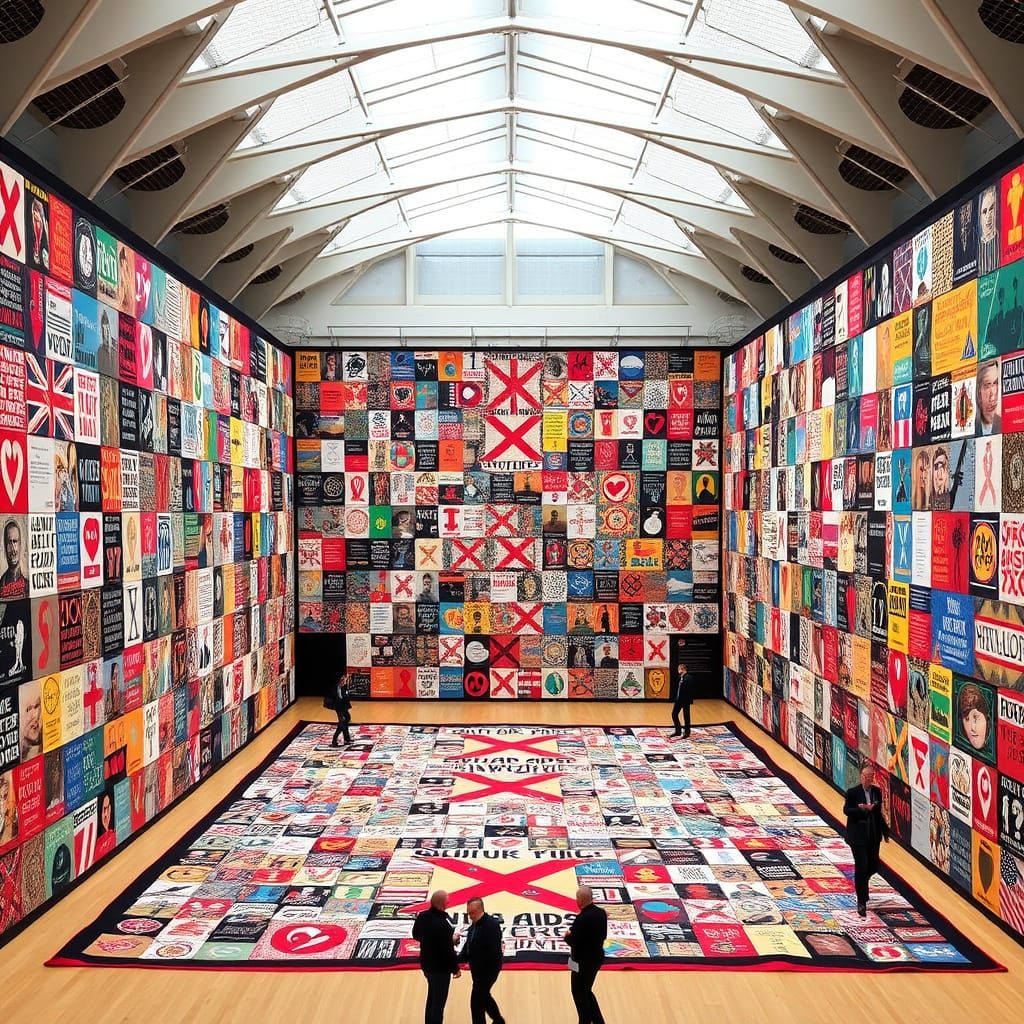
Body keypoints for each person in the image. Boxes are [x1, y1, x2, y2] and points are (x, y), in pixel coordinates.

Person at [843, 762, 889, 917]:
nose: (868, 779)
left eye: (871, 776)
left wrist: (885, 831)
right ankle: (861, 901)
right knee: (861, 866)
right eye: (866, 776)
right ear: (861, 776)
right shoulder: (852, 792)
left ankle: (861, 882)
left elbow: (878, 813)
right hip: (857, 836)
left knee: (874, 866)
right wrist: (861, 810)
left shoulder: (877, 792)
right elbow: (847, 810)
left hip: (873, 835)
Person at [413, 890, 461, 1024]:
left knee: (432, 996)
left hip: (426, 964)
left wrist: (436, 940)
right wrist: (455, 968)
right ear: (441, 905)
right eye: (447, 901)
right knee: (438, 1003)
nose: (449, 902)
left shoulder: (422, 916)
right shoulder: (443, 926)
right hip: (440, 969)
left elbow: (416, 935)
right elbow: (448, 952)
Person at [456, 897, 505, 1024]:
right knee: (484, 997)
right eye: (468, 913)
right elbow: (468, 948)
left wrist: (483, 971)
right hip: (477, 972)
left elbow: (493, 953)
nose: (469, 916)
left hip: (487, 972)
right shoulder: (473, 926)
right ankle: (498, 1020)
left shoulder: (491, 926)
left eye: (471, 913)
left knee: (476, 1004)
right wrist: (455, 960)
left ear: (479, 910)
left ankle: (497, 1020)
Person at [564, 886, 607, 1024]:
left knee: (578, 993)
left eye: (577, 897)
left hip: (580, 963)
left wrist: (567, 936)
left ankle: (584, 1021)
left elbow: (574, 942)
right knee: (587, 990)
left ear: (580, 900)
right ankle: (598, 1021)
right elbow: (603, 935)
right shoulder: (601, 913)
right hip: (597, 959)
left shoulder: (581, 920)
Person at [0, 519, 27, 598]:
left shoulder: (27, 584)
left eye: (15, 542)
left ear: (20, 544)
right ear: (5, 546)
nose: (13, 550)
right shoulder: (2, 583)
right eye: (9, 542)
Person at [977, 359, 1001, 435]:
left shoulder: (1003, 423)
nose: (993, 396)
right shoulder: (972, 427)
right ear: (978, 391)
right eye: (987, 386)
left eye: (995, 383)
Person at [671, 661, 694, 738]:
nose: (678, 670)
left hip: (685, 700)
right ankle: (678, 731)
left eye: (679, 669)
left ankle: (687, 732)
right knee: (674, 714)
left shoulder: (688, 678)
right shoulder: (681, 677)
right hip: (679, 699)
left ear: (683, 669)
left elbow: (689, 690)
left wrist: (688, 700)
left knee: (686, 716)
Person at [332, 674, 352, 747]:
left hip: (343, 706)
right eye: (343, 680)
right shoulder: (335, 688)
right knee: (342, 723)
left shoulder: (343, 687)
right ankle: (334, 739)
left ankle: (347, 739)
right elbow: (336, 698)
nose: (344, 681)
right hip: (339, 707)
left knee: (347, 718)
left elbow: (345, 696)